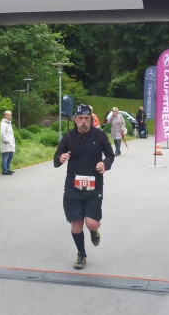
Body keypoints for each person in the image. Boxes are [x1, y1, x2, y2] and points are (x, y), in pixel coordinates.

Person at [54, 104, 114, 270]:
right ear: (75, 119)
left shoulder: (100, 135)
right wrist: (61, 159)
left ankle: (94, 231)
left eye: (86, 118)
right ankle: (81, 254)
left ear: (91, 119)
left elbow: (110, 155)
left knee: (92, 223)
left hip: (94, 187)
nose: (83, 122)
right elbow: (56, 160)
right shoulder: (69, 137)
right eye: (80, 118)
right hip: (73, 187)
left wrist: (105, 164)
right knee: (76, 223)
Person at [0, 110, 16, 175]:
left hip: (10, 144)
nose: (9, 116)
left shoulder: (9, 123)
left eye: (10, 115)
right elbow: (2, 134)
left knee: (10, 156)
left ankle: (7, 169)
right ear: (4, 116)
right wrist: (7, 140)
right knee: (5, 157)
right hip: (6, 143)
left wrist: (11, 141)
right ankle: (4, 170)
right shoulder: (3, 124)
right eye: (7, 115)